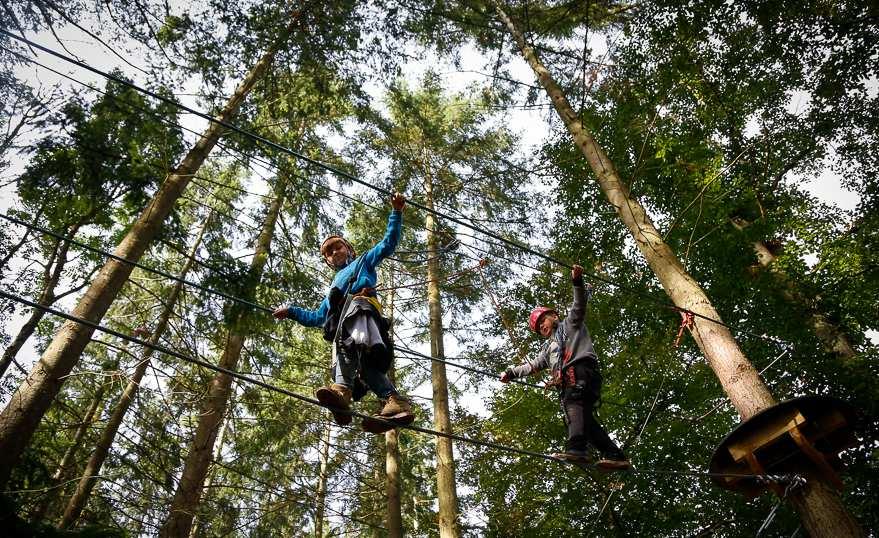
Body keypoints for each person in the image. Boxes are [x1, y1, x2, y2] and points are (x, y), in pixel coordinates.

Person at [274, 193, 413, 433]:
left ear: (348, 248)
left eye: (338, 246)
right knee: (367, 367)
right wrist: (292, 311)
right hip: (345, 321)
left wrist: (396, 212)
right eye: (329, 252)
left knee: (349, 347)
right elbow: (318, 317)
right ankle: (393, 402)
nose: (334, 252)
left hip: (361, 312)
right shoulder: (333, 288)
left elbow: (387, 244)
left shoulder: (363, 262)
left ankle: (342, 390)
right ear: (328, 262)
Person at [500, 264, 631, 471]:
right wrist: (511, 373)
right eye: (538, 327)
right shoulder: (547, 349)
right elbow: (532, 365)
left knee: (574, 404)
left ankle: (576, 449)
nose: (542, 326)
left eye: (543, 319)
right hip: (572, 380)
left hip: (581, 371)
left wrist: (577, 282)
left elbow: (579, 304)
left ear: (554, 316)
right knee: (585, 422)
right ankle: (615, 455)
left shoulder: (571, 324)